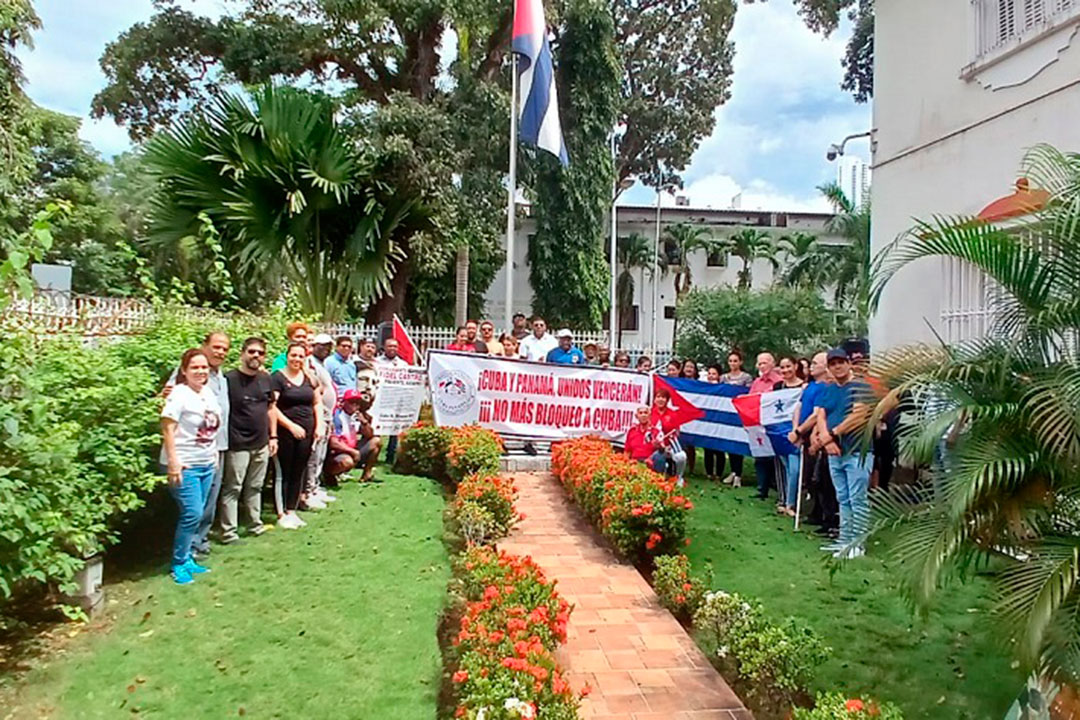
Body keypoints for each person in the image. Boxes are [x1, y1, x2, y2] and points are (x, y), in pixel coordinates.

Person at [164, 331, 231, 556]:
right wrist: (173, 459)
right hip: (186, 457)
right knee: (192, 510)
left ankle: (199, 544)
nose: (220, 352)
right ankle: (184, 553)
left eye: (225, 348)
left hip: (213, 450)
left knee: (207, 504)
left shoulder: (218, 378)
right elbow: (168, 416)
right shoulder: (183, 383)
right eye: (216, 346)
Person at [161, 348, 222, 585]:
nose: (200, 371)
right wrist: (173, 461)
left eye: (204, 367)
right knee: (191, 513)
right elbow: (167, 427)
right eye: (195, 367)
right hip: (186, 464)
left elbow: (213, 425)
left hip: (207, 461)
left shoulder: (207, 392)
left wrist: (214, 454)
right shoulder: (179, 394)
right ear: (184, 370)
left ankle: (187, 559)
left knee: (198, 513)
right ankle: (178, 562)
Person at [812, 348, 872, 559]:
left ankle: (859, 543)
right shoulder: (829, 389)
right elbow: (820, 414)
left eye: (841, 362)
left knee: (857, 497)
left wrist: (833, 434)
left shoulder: (860, 386)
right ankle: (845, 541)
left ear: (848, 363)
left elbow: (859, 415)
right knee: (843, 497)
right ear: (829, 367)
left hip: (856, 450)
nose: (837, 366)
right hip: (834, 452)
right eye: (833, 363)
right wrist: (825, 438)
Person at [217, 337, 276, 545]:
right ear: (242, 353)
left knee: (256, 486)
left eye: (260, 353)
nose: (256, 356)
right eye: (251, 352)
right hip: (237, 444)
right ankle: (228, 532)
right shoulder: (228, 380)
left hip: (261, 443)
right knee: (233, 488)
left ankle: (254, 524)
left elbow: (271, 409)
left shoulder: (265, 379)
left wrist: (273, 436)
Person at [271, 342, 325, 530]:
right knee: (283, 473)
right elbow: (272, 407)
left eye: (300, 356)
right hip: (286, 432)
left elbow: (317, 402)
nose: (297, 359)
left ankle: (292, 510)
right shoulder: (277, 378)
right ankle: (281, 512)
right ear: (287, 356)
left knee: (298, 471)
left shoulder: (309, 378)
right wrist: (290, 425)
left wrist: (320, 425)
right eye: (293, 355)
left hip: (307, 432)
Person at [789, 351, 838, 537]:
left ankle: (829, 518)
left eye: (816, 363)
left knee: (821, 478)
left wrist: (803, 431)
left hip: (816, 435)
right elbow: (799, 407)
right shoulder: (810, 386)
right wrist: (796, 429)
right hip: (804, 432)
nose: (811, 365)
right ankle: (819, 514)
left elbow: (818, 414)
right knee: (812, 478)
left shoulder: (824, 388)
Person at [304, 334, 338, 510]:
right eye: (322, 346)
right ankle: (309, 491)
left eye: (329, 346)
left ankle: (315, 487)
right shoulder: (309, 363)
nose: (326, 349)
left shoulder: (322, 364)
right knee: (314, 454)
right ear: (314, 345)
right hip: (317, 415)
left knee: (321, 455)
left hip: (327, 415)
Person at [774, 355, 807, 517]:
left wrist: (799, 431)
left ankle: (791, 503)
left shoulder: (804, 387)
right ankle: (786, 501)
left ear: (795, 366)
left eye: (788, 366)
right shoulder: (777, 387)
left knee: (795, 470)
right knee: (787, 469)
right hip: (779, 433)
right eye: (782, 367)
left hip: (796, 433)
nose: (785, 370)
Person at [325, 389, 382, 484]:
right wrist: (352, 452)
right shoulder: (338, 416)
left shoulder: (357, 416)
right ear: (344, 403)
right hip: (338, 452)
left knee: (376, 441)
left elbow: (370, 435)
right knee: (347, 462)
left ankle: (366, 475)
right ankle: (329, 474)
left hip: (353, 449)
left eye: (357, 403)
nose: (354, 405)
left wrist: (364, 422)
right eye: (351, 402)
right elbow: (333, 442)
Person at [750, 352, 782, 500]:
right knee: (760, 456)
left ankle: (778, 488)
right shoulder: (756, 382)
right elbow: (750, 401)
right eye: (760, 363)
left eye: (765, 363)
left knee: (777, 458)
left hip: (775, 424)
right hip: (759, 424)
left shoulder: (779, 381)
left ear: (773, 363)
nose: (762, 366)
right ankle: (762, 489)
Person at [375, 338, 408, 464]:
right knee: (376, 428)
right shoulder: (376, 362)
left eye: (395, 346)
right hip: (379, 400)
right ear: (384, 347)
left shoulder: (402, 364)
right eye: (389, 346)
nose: (392, 349)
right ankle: (373, 454)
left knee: (394, 430)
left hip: (396, 401)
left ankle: (390, 456)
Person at [650, 389, 688, 485]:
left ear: (667, 400)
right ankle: (657, 477)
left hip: (668, 444)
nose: (660, 400)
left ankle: (678, 477)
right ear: (654, 399)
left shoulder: (673, 414)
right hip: (651, 444)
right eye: (658, 397)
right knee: (658, 456)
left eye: (663, 397)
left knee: (681, 456)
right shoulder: (649, 412)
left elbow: (676, 432)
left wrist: (668, 446)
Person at [703, 364, 723, 483]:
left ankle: (719, 473)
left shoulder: (723, 388)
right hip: (708, 420)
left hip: (719, 420)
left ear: (719, 376)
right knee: (708, 448)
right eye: (709, 373)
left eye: (714, 373)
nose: (711, 376)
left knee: (719, 449)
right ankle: (709, 472)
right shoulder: (703, 387)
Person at [680, 359, 701, 475]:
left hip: (692, 415)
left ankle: (691, 467)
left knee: (691, 443)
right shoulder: (678, 382)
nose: (689, 369)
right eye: (687, 366)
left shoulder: (698, 384)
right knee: (680, 440)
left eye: (691, 367)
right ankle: (679, 466)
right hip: (681, 413)